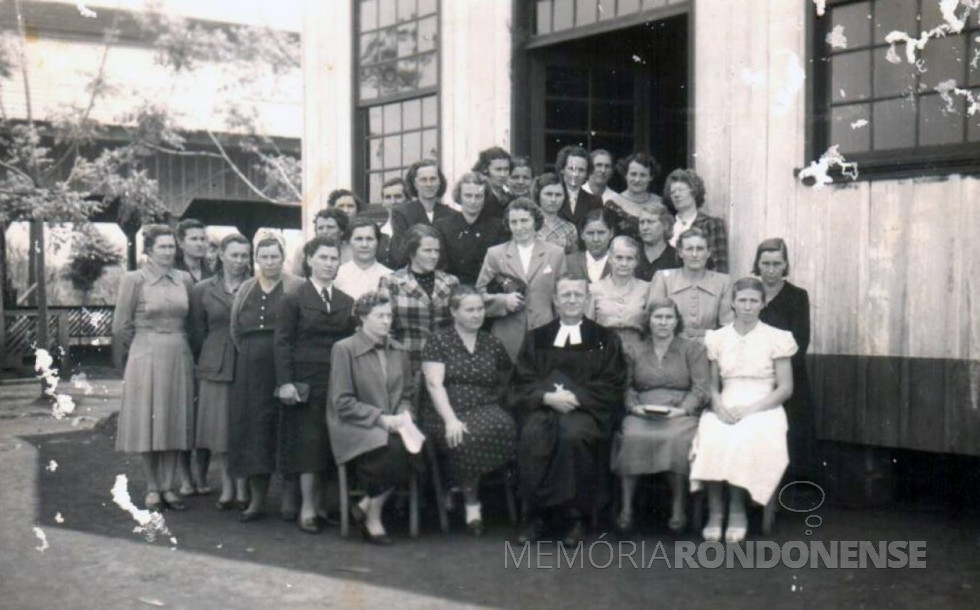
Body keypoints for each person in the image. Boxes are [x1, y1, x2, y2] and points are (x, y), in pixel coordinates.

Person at [510, 275, 627, 547]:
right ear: (555, 301)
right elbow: (523, 380)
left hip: (586, 411)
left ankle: (575, 518)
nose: (572, 300)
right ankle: (537, 517)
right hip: (545, 407)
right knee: (533, 435)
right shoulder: (537, 338)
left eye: (577, 294)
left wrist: (576, 397)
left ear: (587, 299)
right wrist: (547, 397)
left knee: (572, 436)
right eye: (566, 295)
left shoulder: (605, 339)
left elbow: (612, 382)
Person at [690, 277, 796, 543]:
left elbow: (785, 388)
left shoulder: (777, 338)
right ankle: (715, 512)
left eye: (753, 301)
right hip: (726, 401)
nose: (747, 306)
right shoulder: (718, 338)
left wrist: (750, 410)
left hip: (764, 404)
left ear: (762, 304)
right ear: (733, 303)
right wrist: (719, 406)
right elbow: (712, 386)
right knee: (713, 433)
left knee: (743, 435)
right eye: (742, 300)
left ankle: (737, 510)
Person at [420, 286, 517, 537]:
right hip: (445, 411)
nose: (477, 315)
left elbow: (507, 379)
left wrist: (497, 403)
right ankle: (472, 507)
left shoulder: (491, 343)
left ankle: (454, 486)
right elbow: (434, 384)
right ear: (454, 312)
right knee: (466, 436)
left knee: (508, 426)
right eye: (470, 309)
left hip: (484, 407)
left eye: (480, 309)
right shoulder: (438, 341)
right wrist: (451, 419)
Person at [274, 235, 356, 533]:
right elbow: (282, 343)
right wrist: (285, 383)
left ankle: (324, 505)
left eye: (334, 258)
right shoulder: (294, 298)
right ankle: (307, 507)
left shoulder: (347, 302)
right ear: (310, 260)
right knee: (308, 443)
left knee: (330, 441)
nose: (328, 263)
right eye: (323, 257)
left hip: (337, 380)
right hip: (304, 382)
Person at [112, 225, 195, 511]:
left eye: (172, 247)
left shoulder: (184, 279)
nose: (169, 252)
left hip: (179, 354)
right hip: (145, 354)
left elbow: (193, 320)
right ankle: (151, 486)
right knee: (149, 420)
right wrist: (132, 357)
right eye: (163, 247)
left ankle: (169, 487)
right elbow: (121, 326)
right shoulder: (134, 279)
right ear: (149, 250)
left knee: (173, 419)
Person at [327, 292, 418, 545]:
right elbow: (342, 402)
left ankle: (366, 504)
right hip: (355, 425)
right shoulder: (344, 349)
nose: (387, 321)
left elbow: (407, 393)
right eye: (380, 316)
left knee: (418, 445)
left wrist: (403, 413)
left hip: (392, 425)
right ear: (363, 318)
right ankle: (373, 518)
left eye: (389, 315)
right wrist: (380, 419)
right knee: (394, 449)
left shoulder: (399, 350)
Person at [612, 299, 709, 533]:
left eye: (668, 317)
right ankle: (627, 508)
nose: (663, 322)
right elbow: (624, 386)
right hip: (642, 411)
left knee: (677, 440)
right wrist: (633, 407)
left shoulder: (692, 349)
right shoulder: (633, 349)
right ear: (649, 321)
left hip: (679, 413)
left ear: (677, 321)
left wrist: (684, 409)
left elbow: (700, 388)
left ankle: (678, 507)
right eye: (658, 317)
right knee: (631, 436)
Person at [229, 236, 304, 522]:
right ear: (256, 259)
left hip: (285, 367)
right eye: (264, 257)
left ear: (283, 257)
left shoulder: (297, 286)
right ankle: (257, 500)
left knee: (286, 428)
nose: (269, 262)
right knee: (254, 431)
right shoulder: (246, 288)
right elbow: (236, 330)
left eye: (275, 257)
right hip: (251, 373)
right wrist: (252, 355)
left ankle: (288, 499)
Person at [188, 233, 252, 511]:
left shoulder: (255, 286)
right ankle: (227, 485)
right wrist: (209, 354)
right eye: (234, 255)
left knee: (243, 426)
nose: (239, 261)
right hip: (215, 364)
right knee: (220, 429)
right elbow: (196, 331)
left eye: (244, 256)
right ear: (221, 255)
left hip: (247, 362)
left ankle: (243, 485)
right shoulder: (202, 289)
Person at [477, 198, 567, 362]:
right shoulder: (495, 254)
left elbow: (563, 296)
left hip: (544, 334)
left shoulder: (555, 253)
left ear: (536, 221)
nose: (519, 227)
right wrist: (503, 301)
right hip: (507, 337)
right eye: (514, 222)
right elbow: (478, 295)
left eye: (524, 220)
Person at [754, 238, 815, 478]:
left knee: (790, 434)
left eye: (776, 263)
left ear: (785, 265)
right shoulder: (750, 292)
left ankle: (788, 490)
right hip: (754, 374)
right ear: (757, 264)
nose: (770, 269)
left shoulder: (797, 296)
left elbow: (800, 342)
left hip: (789, 376)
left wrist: (778, 377)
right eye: (765, 263)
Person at [379, 224, 459, 367]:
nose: (434, 256)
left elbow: (457, 325)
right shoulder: (391, 282)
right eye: (427, 251)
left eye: (437, 251)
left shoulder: (450, 282)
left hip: (445, 361)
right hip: (406, 361)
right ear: (412, 252)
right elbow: (386, 328)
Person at [648, 227, 733, 342]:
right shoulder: (663, 278)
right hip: (671, 345)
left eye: (700, 249)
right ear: (680, 252)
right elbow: (654, 321)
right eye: (689, 249)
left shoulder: (723, 282)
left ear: (708, 253)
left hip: (710, 346)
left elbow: (727, 326)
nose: (694, 254)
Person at [434, 172, 507, 286]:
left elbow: (501, 266)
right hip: (455, 289)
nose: (473, 201)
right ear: (459, 196)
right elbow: (439, 266)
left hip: (488, 288)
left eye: (478, 196)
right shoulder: (443, 226)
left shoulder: (498, 227)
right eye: (468, 196)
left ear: (485, 197)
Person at [585, 236, 649, 353]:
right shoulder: (594, 289)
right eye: (618, 258)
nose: (623, 263)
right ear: (610, 258)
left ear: (637, 261)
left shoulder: (647, 289)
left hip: (638, 351)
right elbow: (587, 328)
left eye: (629, 258)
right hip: (604, 350)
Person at [390, 159, 455, 268]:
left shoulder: (451, 215)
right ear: (415, 183)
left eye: (433, 179)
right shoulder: (401, 213)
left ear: (440, 182)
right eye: (423, 180)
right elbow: (400, 253)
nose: (429, 184)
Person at [662, 168, 729, 273]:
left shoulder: (711, 224)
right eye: (672, 192)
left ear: (694, 191)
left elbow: (719, 269)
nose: (676, 195)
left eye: (680, 190)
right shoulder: (667, 225)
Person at [606, 152, 664, 240]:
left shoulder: (660, 204)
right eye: (633, 174)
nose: (637, 180)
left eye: (643, 175)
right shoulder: (612, 205)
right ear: (626, 175)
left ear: (651, 177)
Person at [335, 218, 392, 300]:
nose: (364, 245)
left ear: (378, 242)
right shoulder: (337, 276)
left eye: (370, 239)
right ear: (349, 242)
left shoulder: (390, 276)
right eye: (359, 239)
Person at [289, 208, 352, 276]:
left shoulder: (351, 251)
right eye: (320, 228)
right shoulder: (303, 251)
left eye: (330, 227)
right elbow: (295, 279)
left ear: (341, 231)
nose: (324, 232)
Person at [554, 145, 602, 227]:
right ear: (562, 169)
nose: (576, 174)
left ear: (587, 173)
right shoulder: (551, 196)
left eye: (581, 170)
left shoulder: (594, 201)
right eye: (572, 169)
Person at [565, 207, 615, 283]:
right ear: (582, 234)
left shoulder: (620, 263)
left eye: (601, 233)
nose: (596, 239)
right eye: (590, 233)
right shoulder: (568, 262)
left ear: (611, 233)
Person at [634, 203, 680, 281]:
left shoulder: (677, 258)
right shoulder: (632, 253)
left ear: (665, 225)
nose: (645, 227)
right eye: (642, 222)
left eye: (650, 222)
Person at [534, 173, 578, 254]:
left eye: (558, 195)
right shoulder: (528, 224)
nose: (553, 199)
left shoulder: (570, 229)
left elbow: (574, 258)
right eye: (548, 194)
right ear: (538, 194)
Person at [471, 146, 512, 219]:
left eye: (506, 169)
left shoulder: (507, 196)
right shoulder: (480, 196)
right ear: (486, 170)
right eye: (498, 170)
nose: (503, 174)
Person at [175, 218, 213, 283]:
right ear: (180, 242)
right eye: (194, 239)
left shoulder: (212, 271)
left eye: (202, 239)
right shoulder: (173, 271)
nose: (200, 244)